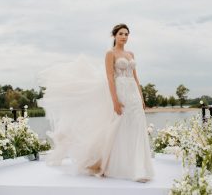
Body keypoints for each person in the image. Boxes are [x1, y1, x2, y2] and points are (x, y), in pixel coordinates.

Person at [37, 23, 154, 182]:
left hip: (133, 93)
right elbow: (110, 78)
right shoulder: (110, 53)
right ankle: (121, 166)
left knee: (137, 127)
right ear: (114, 36)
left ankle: (139, 166)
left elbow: (136, 78)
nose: (124, 37)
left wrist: (142, 98)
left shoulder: (131, 53)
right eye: (121, 34)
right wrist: (115, 102)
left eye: (126, 34)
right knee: (120, 127)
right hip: (120, 91)